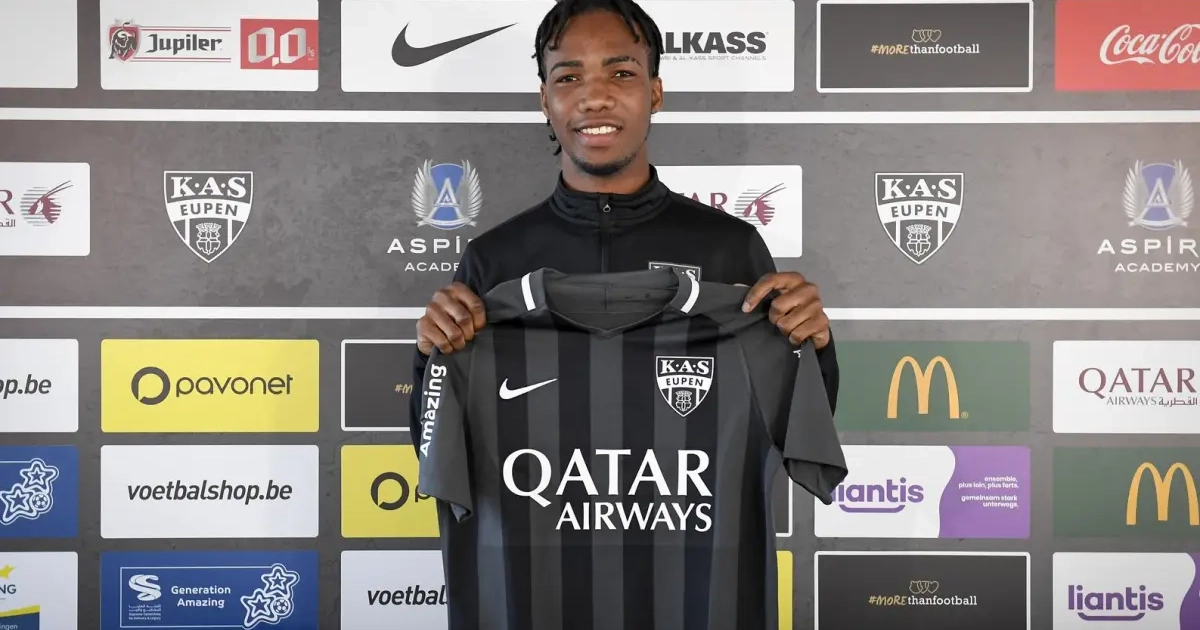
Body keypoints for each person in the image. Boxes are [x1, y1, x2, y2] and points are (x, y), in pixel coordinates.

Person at [410, 0, 839, 432]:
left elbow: (788, 431)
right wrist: (432, 356)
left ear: (655, 93)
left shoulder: (730, 246)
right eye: (569, 77)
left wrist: (811, 346)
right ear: (545, 100)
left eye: (621, 73)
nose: (595, 98)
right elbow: (442, 444)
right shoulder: (492, 259)